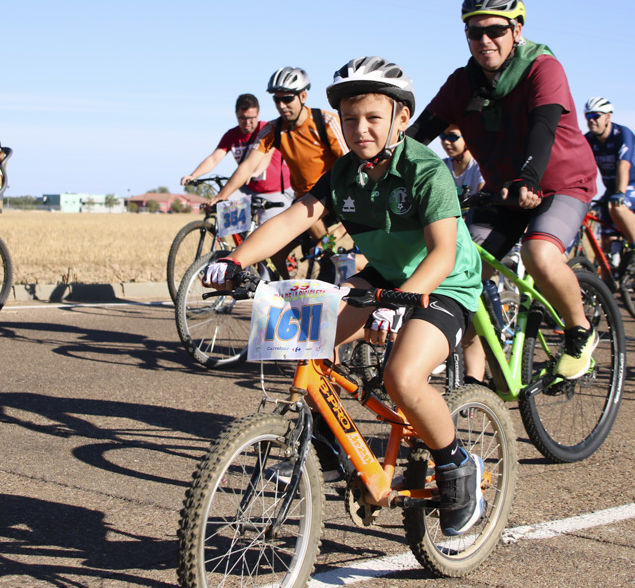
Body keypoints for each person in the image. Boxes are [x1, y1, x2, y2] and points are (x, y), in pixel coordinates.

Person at [203, 57, 486, 537]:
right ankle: (332, 449)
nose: (361, 130)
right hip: (383, 276)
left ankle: (457, 465)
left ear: (400, 118)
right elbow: (295, 217)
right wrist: (235, 261)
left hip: (443, 283)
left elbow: (441, 255)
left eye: (373, 118)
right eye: (351, 119)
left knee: (403, 377)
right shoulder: (344, 174)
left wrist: (402, 299)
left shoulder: (425, 170)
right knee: (310, 342)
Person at [406, 0, 600, 381]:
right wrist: (382, 164)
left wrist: (528, 176)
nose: (484, 41)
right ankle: (475, 388)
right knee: (461, 273)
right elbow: (421, 132)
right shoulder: (464, 81)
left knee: (539, 255)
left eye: (494, 30)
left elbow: (544, 126)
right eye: (474, 34)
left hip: (560, 184)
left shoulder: (542, 67)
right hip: (503, 192)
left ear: (517, 29)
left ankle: (580, 330)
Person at [209, 67, 347, 242]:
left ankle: (331, 257)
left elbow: (352, 163)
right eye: (277, 100)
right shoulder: (273, 129)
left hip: (333, 194)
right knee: (275, 252)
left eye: (288, 99)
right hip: (303, 198)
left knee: (326, 248)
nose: (282, 106)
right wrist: (221, 196)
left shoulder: (325, 122)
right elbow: (248, 165)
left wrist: (344, 227)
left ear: (303, 96)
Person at [181, 94, 293, 274]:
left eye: (251, 118)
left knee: (267, 238)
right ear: (236, 115)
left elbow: (266, 155)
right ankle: (239, 258)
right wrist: (193, 175)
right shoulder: (232, 134)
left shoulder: (267, 129)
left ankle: (265, 283)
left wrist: (255, 172)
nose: (247, 123)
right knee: (224, 203)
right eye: (242, 118)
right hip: (249, 188)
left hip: (275, 190)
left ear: (258, 114)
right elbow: (214, 157)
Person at [583, 97, 635, 275]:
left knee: (617, 206)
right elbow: (583, 170)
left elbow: (623, 165)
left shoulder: (622, 134)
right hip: (614, 188)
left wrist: (620, 193)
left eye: (595, 115)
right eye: (587, 116)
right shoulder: (588, 140)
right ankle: (614, 277)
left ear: (608, 117)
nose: (591, 120)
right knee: (607, 238)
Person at [440, 125, 485, 200]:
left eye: (452, 137)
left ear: (468, 138)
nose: (446, 142)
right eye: (443, 136)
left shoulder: (481, 167)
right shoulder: (441, 166)